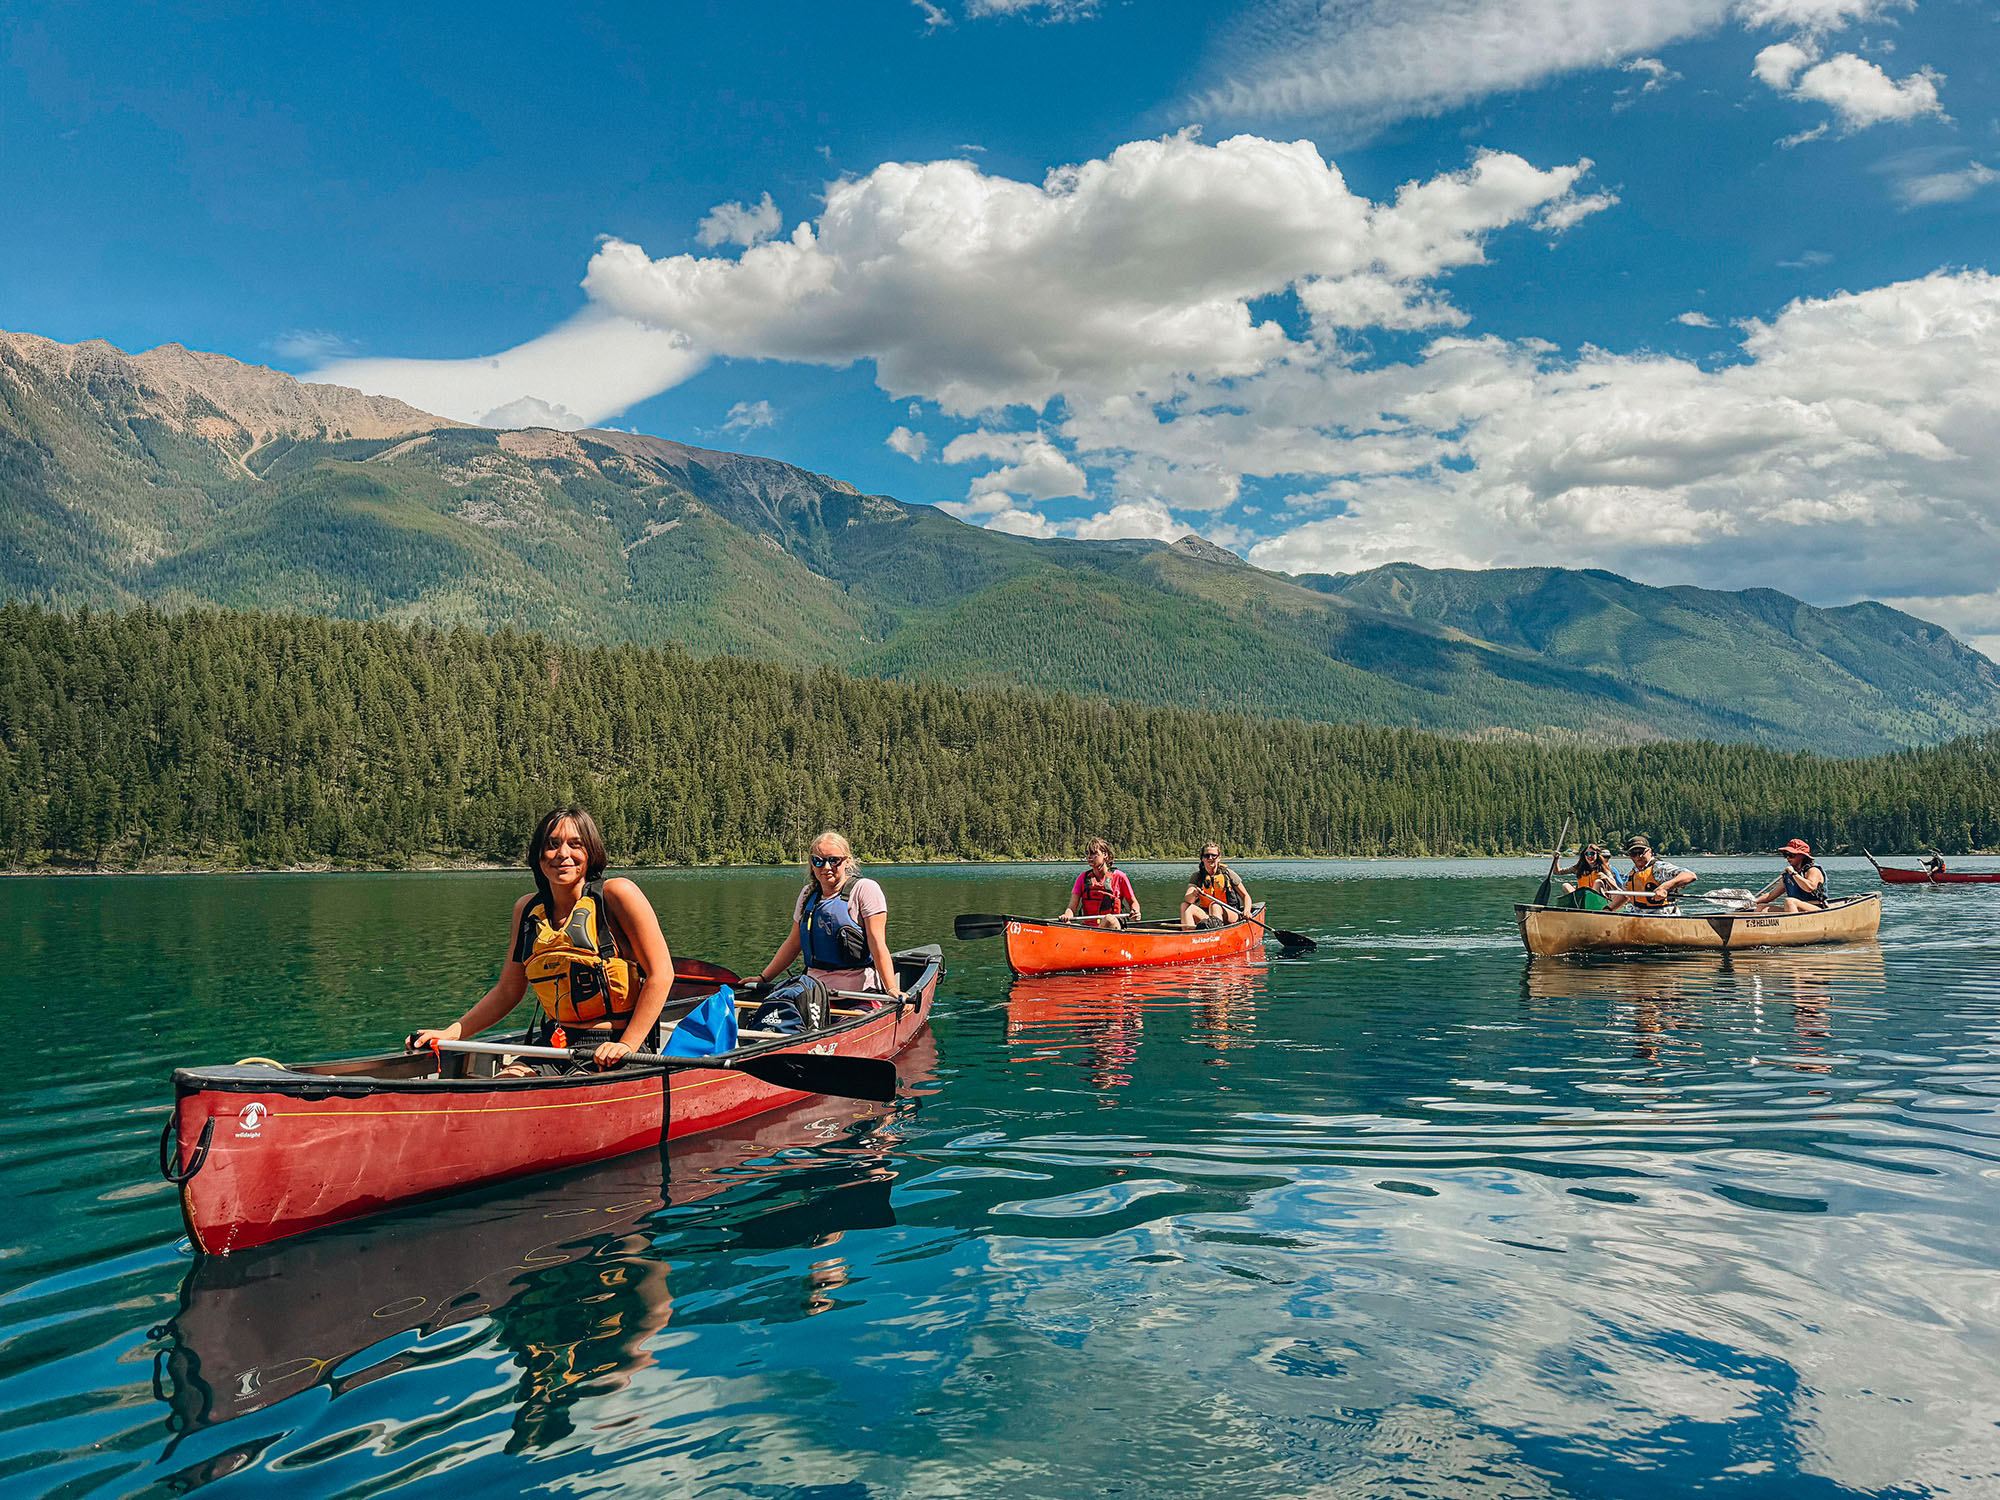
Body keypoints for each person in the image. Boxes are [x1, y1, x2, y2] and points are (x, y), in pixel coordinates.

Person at [410, 807, 675, 1073]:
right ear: (538, 855)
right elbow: (508, 990)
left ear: (591, 852)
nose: (563, 854)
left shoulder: (617, 894)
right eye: (552, 845)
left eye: (575, 844)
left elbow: (661, 975)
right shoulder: (526, 910)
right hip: (553, 1046)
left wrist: (627, 1044)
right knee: (503, 1091)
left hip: (614, 1048)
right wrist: (452, 1032)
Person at [746, 830, 903, 1020]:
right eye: (818, 861)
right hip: (813, 993)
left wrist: (892, 988)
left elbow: (877, 943)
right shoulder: (808, 895)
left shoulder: (865, 889)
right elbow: (793, 943)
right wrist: (763, 979)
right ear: (812, 863)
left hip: (859, 996)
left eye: (834, 860)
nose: (826, 867)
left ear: (847, 861)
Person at [1061, 838, 1140, 930]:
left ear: (1105, 855)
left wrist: (1135, 911)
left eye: (1094, 853)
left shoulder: (1120, 877)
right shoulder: (1082, 878)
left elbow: (1133, 902)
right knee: (1067, 926)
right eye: (1088, 853)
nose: (1090, 857)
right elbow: (1071, 908)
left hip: (1113, 925)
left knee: (1108, 919)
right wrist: (1067, 915)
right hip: (1089, 927)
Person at [1604, 836, 1695, 912]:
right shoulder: (1632, 874)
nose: (1638, 856)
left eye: (1641, 852)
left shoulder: (1660, 868)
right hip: (1637, 917)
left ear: (1649, 852)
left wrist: (1665, 887)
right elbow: (1625, 895)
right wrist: (1609, 909)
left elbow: (1690, 875)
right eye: (1633, 853)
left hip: (1662, 917)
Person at [1181, 843, 1251, 930]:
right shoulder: (1197, 876)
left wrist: (1247, 910)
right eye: (1207, 856)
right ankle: (1190, 936)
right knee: (1185, 906)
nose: (1210, 858)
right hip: (1207, 915)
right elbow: (1188, 899)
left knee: (1215, 906)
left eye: (1213, 855)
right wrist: (1194, 894)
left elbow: (1245, 896)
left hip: (1230, 913)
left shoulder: (1228, 874)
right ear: (1202, 858)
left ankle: (1217, 933)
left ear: (1219, 858)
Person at [1755, 837, 1829, 911]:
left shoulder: (1813, 870)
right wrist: (1753, 901)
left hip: (1816, 908)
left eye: (1791, 855)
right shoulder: (1788, 876)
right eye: (1785, 855)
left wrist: (1793, 873)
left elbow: (1810, 888)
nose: (1787, 858)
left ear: (1802, 856)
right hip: (1794, 909)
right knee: (1761, 908)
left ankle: (1794, 922)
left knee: (1789, 901)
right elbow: (1770, 896)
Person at [1558, 843, 1613, 908]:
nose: (1589, 856)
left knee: (1598, 882)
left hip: (1597, 900)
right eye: (1587, 854)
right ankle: (1575, 906)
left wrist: (1606, 877)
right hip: (1580, 899)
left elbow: (1613, 883)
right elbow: (1558, 872)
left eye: (1592, 854)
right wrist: (1556, 859)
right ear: (1584, 855)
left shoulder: (1604, 869)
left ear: (1597, 855)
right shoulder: (1579, 868)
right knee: (1565, 885)